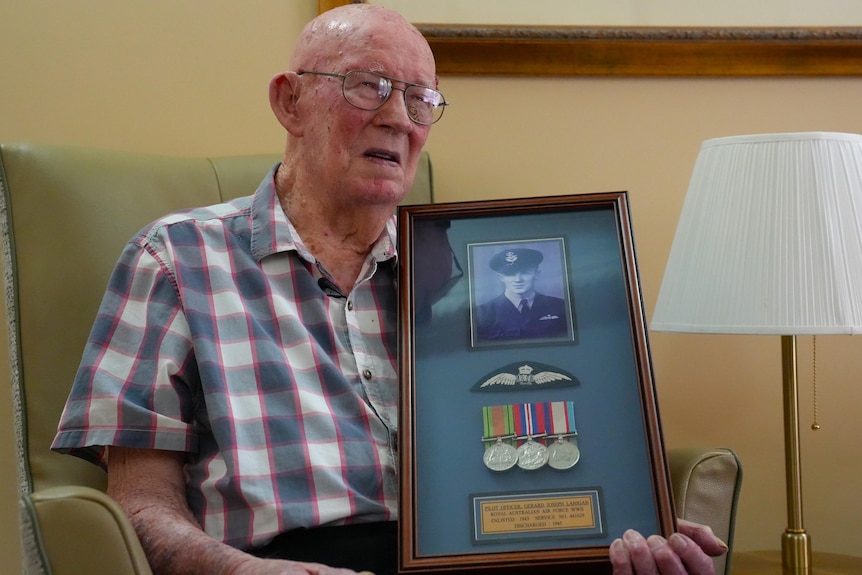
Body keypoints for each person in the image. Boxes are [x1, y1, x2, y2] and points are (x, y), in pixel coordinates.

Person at [50, 4, 727, 575]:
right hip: (292, 556)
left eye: (421, 98)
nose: (400, 118)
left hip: (483, 552)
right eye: (369, 85)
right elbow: (137, 506)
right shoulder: (177, 258)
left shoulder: (465, 271)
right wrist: (247, 570)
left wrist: (627, 530)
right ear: (290, 101)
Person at [475, 247, 569, 341]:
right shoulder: (482, 313)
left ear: (536, 274)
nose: (518, 280)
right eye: (510, 274)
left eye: (525, 273)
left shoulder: (560, 306)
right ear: (501, 277)